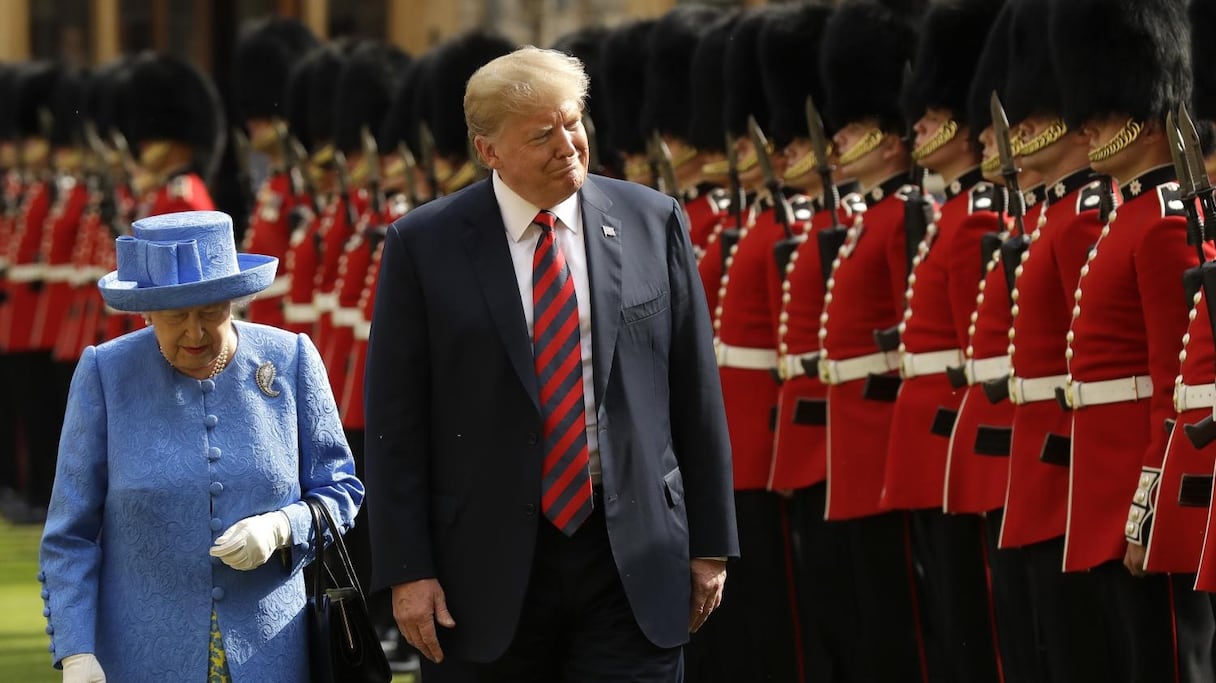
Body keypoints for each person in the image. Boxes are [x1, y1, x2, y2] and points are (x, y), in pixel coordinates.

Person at [364, 46, 738, 681]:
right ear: (489, 152)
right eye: (541, 135)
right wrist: (407, 569)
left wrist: (712, 544)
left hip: (633, 556)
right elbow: (395, 424)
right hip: (483, 569)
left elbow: (694, 393)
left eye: (573, 122)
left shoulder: (653, 220)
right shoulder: (422, 246)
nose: (568, 144)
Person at [38, 210, 364, 682]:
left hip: (273, 655)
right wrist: (75, 651)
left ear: (235, 301)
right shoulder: (105, 375)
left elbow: (342, 491)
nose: (194, 333)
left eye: (211, 311)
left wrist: (281, 527)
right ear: (147, 312)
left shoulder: (291, 359)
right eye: (175, 316)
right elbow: (69, 535)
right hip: (141, 659)